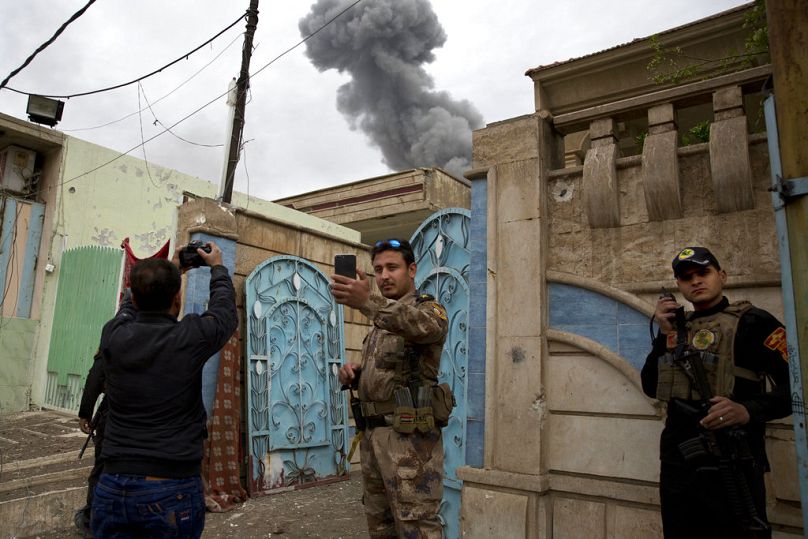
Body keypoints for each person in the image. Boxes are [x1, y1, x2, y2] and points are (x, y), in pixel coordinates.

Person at [641, 246, 791, 539]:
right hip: (680, 464)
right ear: (679, 287)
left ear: (721, 275)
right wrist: (664, 334)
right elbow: (650, 385)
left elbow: (796, 388)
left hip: (733, 459)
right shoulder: (676, 329)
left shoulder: (755, 322)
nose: (696, 281)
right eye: (686, 278)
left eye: (703, 272)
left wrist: (748, 410)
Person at [91, 242, 237, 538]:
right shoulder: (189, 338)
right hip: (171, 486)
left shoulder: (113, 334)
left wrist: (171, 270)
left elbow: (129, 305)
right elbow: (224, 313)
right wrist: (218, 268)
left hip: (112, 484)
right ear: (177, 298)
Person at [330, 239, 450, 539]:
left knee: (417, 526)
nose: (384, 275)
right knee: (380, 526)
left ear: (411, 270)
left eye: (392, 268)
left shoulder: (428, 309)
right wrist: (355, 376)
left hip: (410, 443)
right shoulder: (379, 323)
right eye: (379, 269)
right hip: (374, 439)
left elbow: (420, 327)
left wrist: (367, 301)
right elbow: (391, 373)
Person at [74, 349, 107, 537]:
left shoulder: (115, 339)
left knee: (102, 469)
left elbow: (95, 378)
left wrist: (84, 413)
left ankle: (91, 520)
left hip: (115, 420)